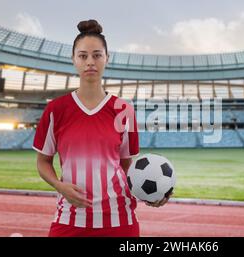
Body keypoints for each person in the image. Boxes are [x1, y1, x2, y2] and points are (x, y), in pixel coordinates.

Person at [33, 19, 170, 237]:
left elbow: (127, 167)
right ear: (73, 60)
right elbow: (42, 162)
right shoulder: (55, 110)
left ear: (107, 58)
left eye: (97, 55)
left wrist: (149, 193)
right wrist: (61, 187)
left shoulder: (124, 109)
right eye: (83, 56)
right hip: (70, 218)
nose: (90, 62)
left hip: (119, 220)